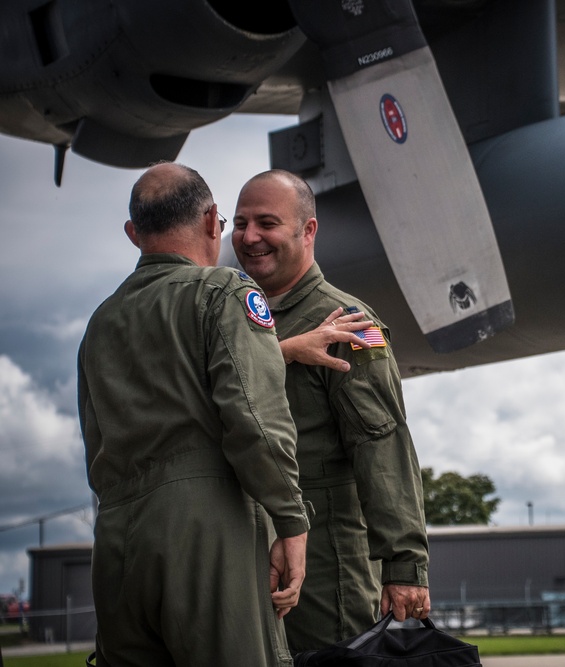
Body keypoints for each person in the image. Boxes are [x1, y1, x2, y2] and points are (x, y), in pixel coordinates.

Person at [78, 163, 312, 666]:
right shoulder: (224, 292)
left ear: (133, 233)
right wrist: (292, 523)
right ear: (212, 222)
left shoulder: (100, 322)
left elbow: (95, 442)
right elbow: (256, 420)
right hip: (207, 535)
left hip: (117, 546)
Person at [232, 169, 431, 651]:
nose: (250, 236)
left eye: (266, 222)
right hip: (244, 550)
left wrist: (404, 564)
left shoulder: (351, 325)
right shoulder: (236, 319)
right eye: (239, 223)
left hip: (326, 562)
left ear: (308, 230)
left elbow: (382, 443)